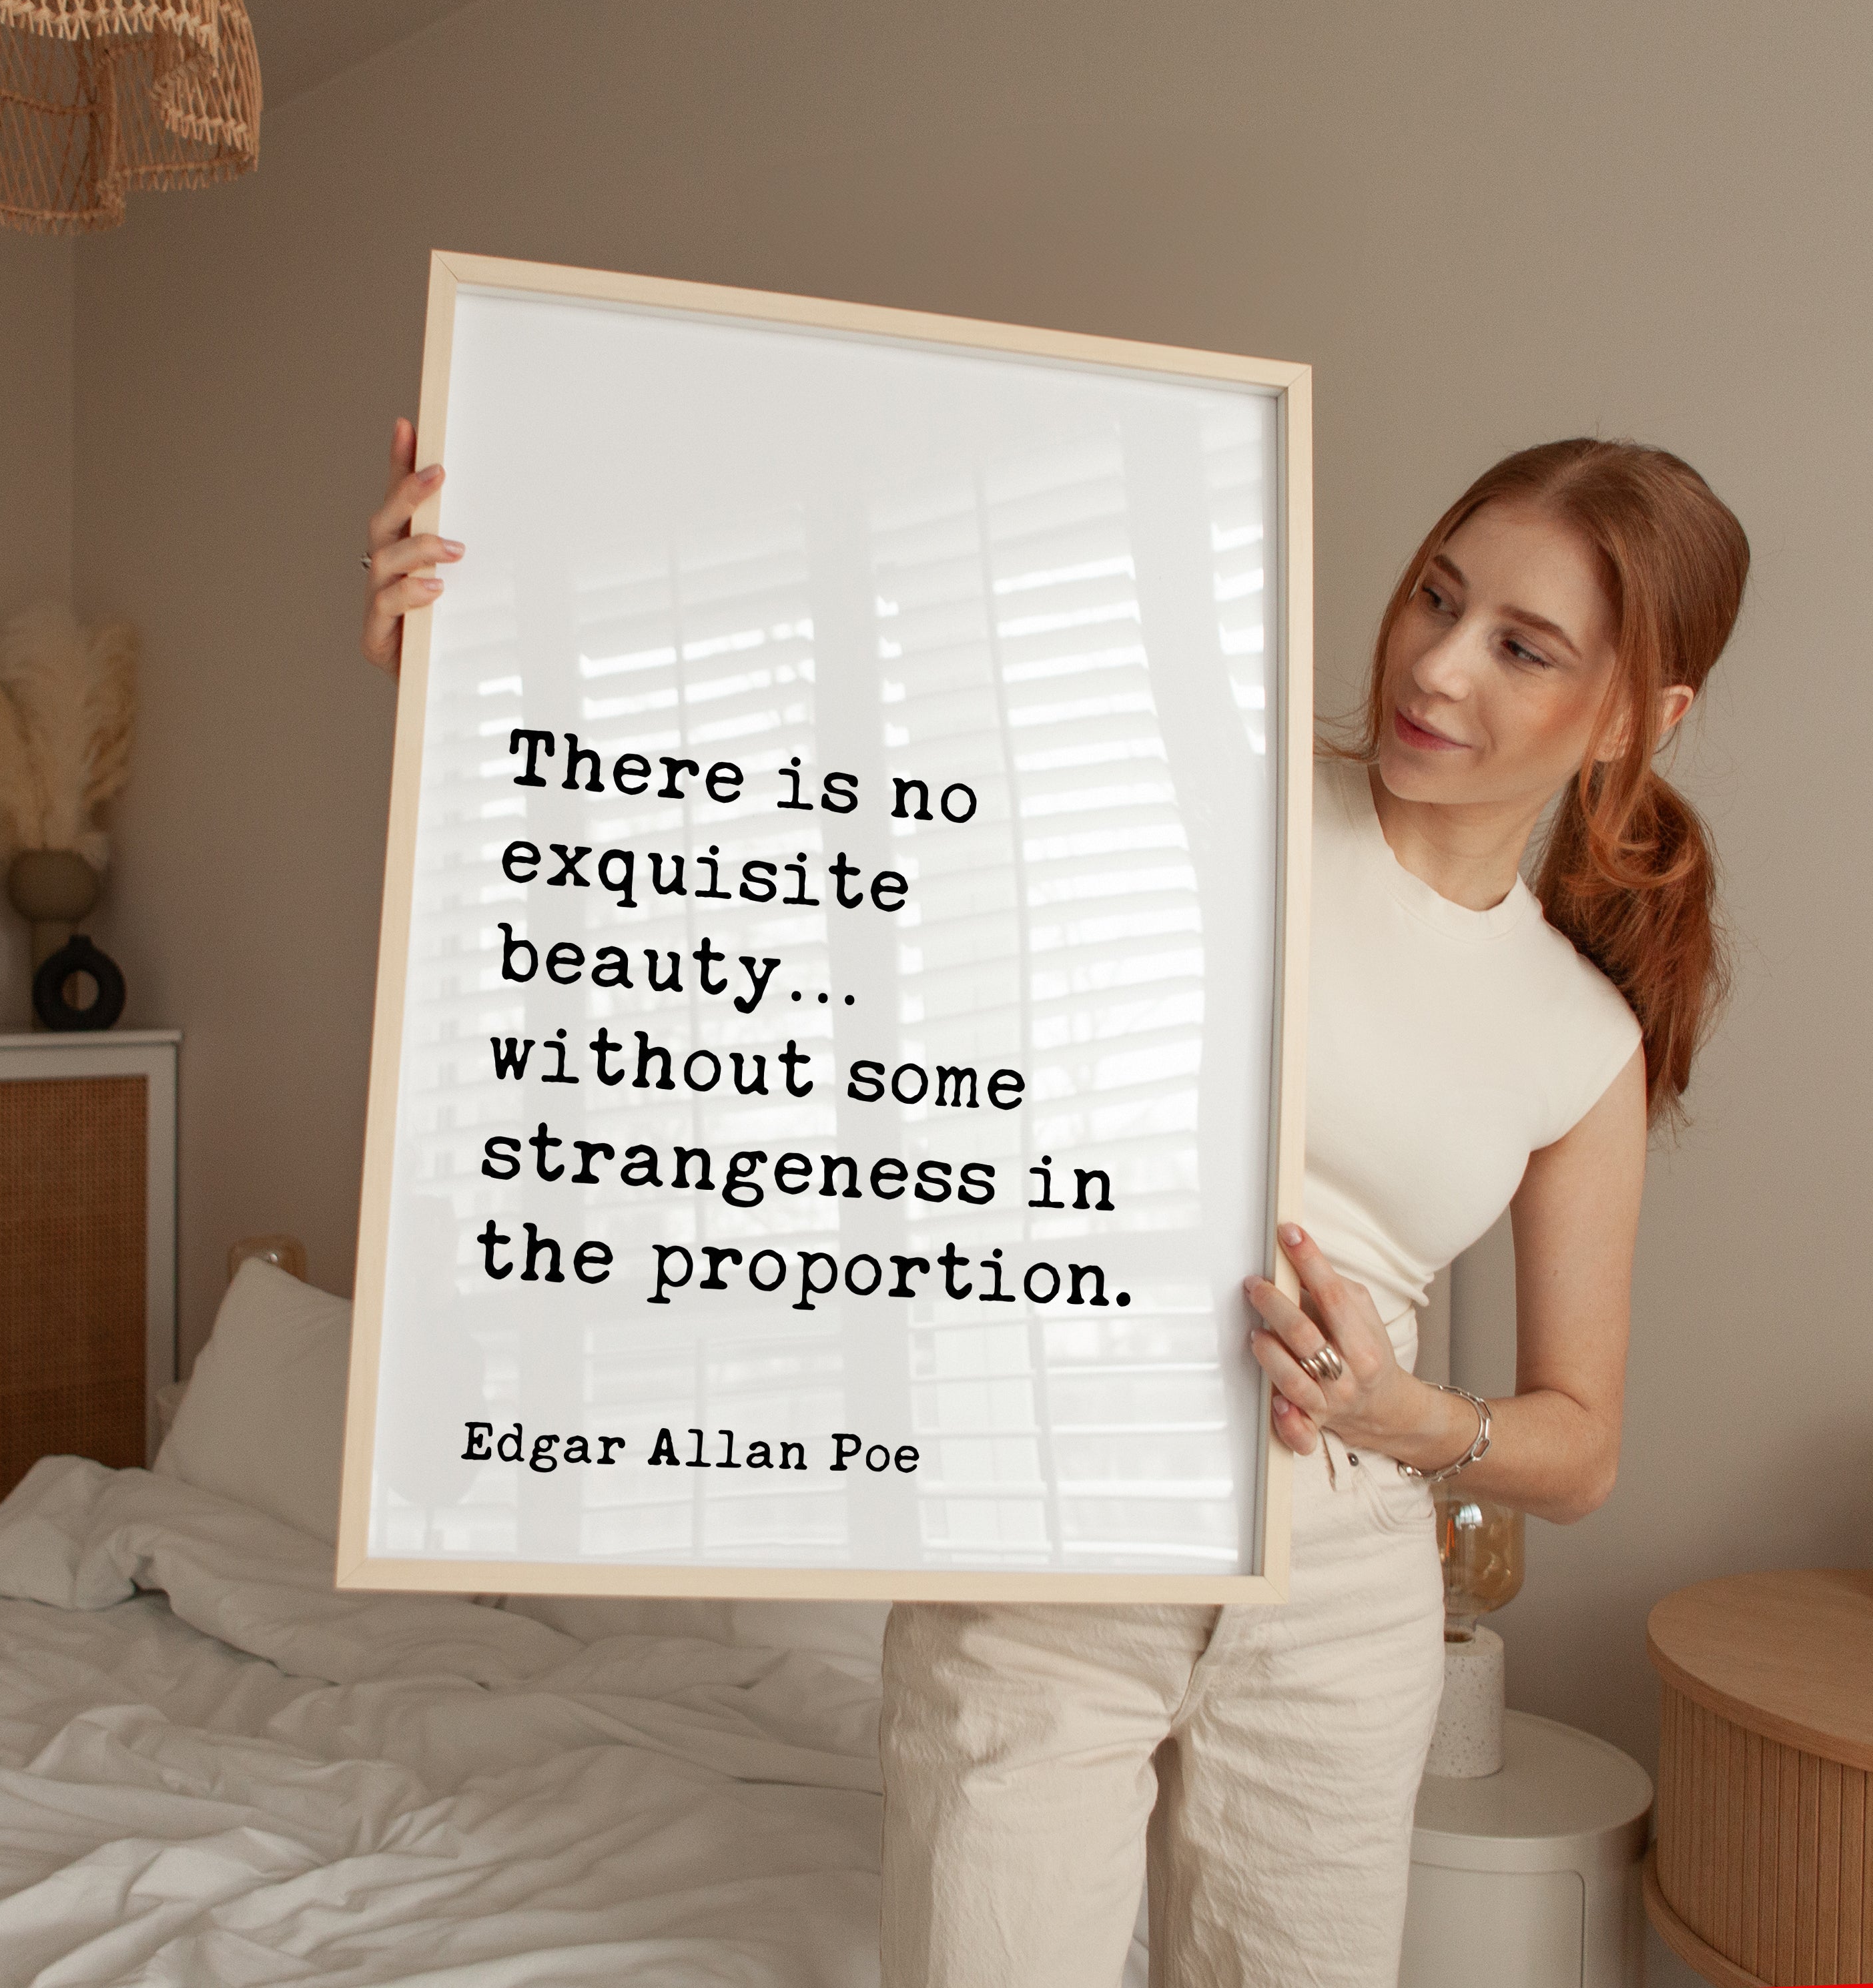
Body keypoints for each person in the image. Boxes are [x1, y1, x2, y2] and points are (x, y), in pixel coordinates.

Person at [362, 420, 1748, 1988]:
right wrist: (461, 664)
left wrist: (1405, 1413)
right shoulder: (1212, 789)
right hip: (1049, 1531)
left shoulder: (1582, 1039)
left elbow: (1582, 1443)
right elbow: (775, 832)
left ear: (1639, 714)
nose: (1436, 669)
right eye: (1436, 597)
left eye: (1521, 645)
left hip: (1341, 1598)